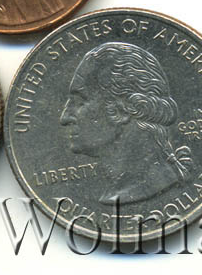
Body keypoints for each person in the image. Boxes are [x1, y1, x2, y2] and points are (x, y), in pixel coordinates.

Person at [60, 42, 193, 205]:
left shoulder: (139, 189)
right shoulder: (117, 192)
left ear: (122, 109)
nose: (64, 118)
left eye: (80, 102)